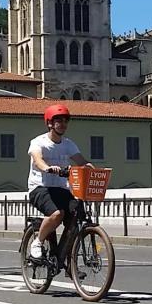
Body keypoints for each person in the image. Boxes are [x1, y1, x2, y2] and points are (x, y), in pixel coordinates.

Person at [26, 104, 92, 264]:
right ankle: (38, 242)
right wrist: (47, 168)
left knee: (77, 217)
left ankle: (68, 261)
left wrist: (91, 169)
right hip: (40, 189)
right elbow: (37, 159)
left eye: (65, 121)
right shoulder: (38, 142)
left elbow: (82, 162)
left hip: (61, 189)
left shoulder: (68, 144)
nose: (63, 124)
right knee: (57, 214)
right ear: (49, 123)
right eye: (58, 121)